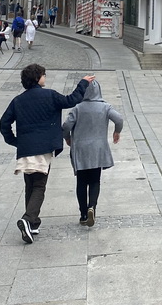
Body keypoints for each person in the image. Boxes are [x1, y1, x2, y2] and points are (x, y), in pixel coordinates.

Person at [0, 64, 94, 243]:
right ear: (37, 78)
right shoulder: (49, 95)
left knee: (30, 184)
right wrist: (83, 83)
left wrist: (15, 141)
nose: (45, 77)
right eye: (44, 75)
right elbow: (71, 100)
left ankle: (33, 223)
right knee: (39, 185)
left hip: (26, 149)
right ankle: (28, 219)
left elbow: (4, 123)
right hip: (43, 148)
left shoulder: (18, 100)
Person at [62, 80, 124, 227]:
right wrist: (117, 131)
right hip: (98, 149)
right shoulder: (105, 107)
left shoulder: (78, 108)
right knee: (95, 180)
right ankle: (92, 207)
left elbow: (66, 126)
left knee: (81, 182)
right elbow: (119, 119)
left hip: (81, 150)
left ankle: (83, 214)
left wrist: (67, 137)